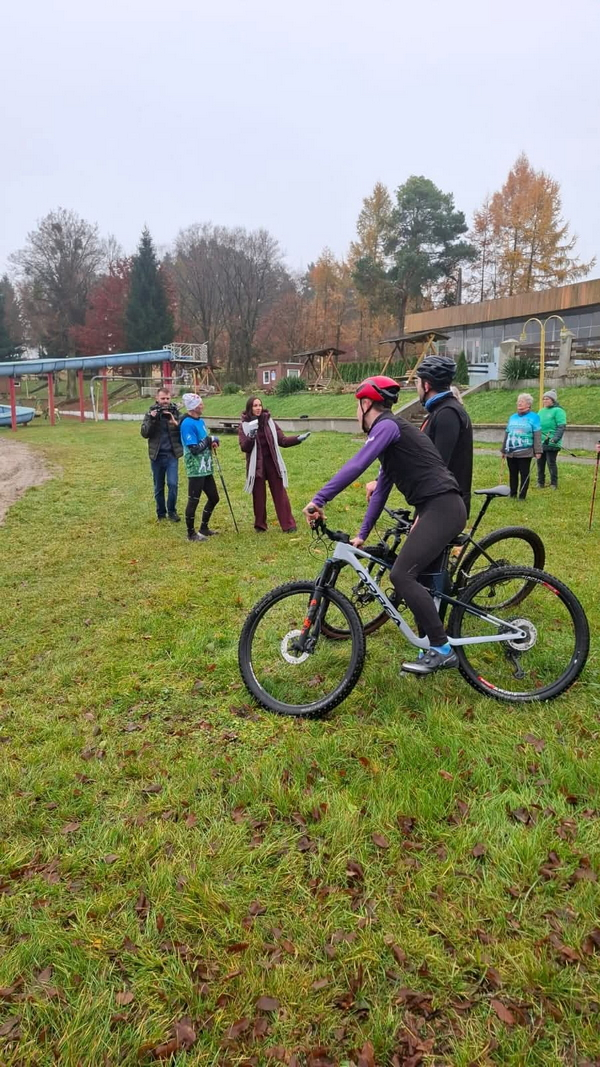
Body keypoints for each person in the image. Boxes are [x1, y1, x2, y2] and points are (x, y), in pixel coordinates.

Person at [303, 376, 467, 675]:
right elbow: (380, 491)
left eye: (357, 406)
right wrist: (362, 535)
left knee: (401, 575)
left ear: (366, 404)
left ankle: (442, 649)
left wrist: (319, 499)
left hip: (442, 508)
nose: (356, 413)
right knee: (420, 579)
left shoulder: (387, 426)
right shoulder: (393, 439)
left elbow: (357, 464)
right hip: (436, 507)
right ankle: (430, 646)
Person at [365, 356, 473, 516]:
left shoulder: (448, 414)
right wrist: (380, 480)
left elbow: (436, 465)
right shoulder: (439, 411)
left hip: (444, 505)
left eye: (417, 382)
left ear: (426, 385)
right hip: (434, 500)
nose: (417, 387)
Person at [238, 396, 310, 533]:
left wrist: (298, 439)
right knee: (259, 496)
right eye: (255, 406)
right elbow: (244, 447)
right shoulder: (244, 426)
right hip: (256, 465)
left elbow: (282, 440)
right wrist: (251, 436)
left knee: (280, 493)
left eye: (259, 405)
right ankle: (260, 525)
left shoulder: (269, 422)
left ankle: (288, 525)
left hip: (272, 462)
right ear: (249, 408)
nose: (258, 408)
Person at [179, 394, 220, 543]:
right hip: (195, 468)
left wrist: (212, 442)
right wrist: (208, 440)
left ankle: (204, 528)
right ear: (194, 407)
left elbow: (204, 441)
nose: (203, 406)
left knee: (214, 498)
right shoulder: (187, 424)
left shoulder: (200, 421)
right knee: (193, 500)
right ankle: (191, 534)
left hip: (206, 467)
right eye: (200, 404)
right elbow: (194, 449)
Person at [140, 387, 183, 522]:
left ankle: (172, 511)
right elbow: (144, 433)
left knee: (173, 484)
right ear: (157, 399)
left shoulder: (176, 413)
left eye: (167, 398)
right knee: (158, 486)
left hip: (172, 455)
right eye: (163, 398)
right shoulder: (150, 413)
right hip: (157, 455)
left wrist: (174, 422)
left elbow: (183, 430)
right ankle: (161, 513)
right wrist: (152, 419)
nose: (165, 401)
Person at [501, 393, 542, 500]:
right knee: (512, 473)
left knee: (524, 474)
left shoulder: (534, 417)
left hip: (525, 451)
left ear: (528, 404)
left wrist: (538, 451)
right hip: (511, 451)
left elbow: (537, 434)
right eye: (518, 401)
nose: (519, 403)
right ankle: (513, 494)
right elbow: (507, 433)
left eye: (522, 401)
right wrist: (503, 449)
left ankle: (522, 495)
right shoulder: (512, 417)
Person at [537, 389, 567, 490]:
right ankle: (540, 482)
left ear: (553, 400)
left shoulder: (558, 411)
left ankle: (554, 483)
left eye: (547, 399)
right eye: (544, 399)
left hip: (552, 442)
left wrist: (555, 438)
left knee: (551, 463)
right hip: (541, 441)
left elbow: (561, 426)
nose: (545, 401)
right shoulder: (541, 411)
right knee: (540, 463)